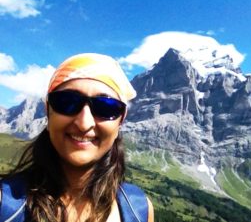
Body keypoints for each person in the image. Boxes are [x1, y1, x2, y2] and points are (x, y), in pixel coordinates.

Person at [0, 53, 154, 222]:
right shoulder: (5, 204)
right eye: (67, 102)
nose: (84, 123)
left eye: (106, 107)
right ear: (47, 110)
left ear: (121, 120)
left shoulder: (140, 209)